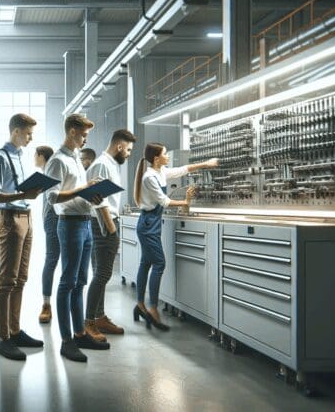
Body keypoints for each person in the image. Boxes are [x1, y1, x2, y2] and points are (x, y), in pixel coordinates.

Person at [45, 114, 110, 363]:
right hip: (70, 226)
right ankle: (66, 341)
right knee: (67, 282)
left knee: (81, 282)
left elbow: (76, 193)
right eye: (83, 135)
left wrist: (90, 190)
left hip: (85, 224)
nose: (85, 139)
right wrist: (83, 190)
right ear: (72, 132)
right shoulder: (57, 161)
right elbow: (52, 197)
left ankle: (80, 333)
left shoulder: (75, 160)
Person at [134, 143, 218, 330]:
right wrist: (186, 201)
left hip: (150, 223)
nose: (168, 156)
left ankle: (140, 305)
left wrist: (206, 163)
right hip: (148, 224)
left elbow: (183, 170)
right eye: (165, 154)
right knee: (159, 263)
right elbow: (164, 202)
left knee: (146, 263)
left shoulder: (160, 172)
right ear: (156, 158)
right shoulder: (149, 177)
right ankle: (153, 309)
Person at [0, 113, 44, 361]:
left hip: (27, 218)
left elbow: (20, 189)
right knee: (6, 280)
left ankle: (15, 330)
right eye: (29, 133)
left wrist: (30, 193)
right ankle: (3, 339)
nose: (31, 138)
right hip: (9, 219)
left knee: (21, 278)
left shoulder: (21, 156)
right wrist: (22, 195)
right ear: (16, 131)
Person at [83, 129, 137, 341]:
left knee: (101, 274)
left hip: (106, 222)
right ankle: (89, 323)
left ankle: (99, 317)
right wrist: (112, 229)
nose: (129, 154)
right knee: (102, 274)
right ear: (120, 146)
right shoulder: (102, 164)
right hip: (104, 224)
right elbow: (99, 200)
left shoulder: (110, 164)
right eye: (129, 150)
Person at [34, 145, 57, 324]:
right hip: (50, 219)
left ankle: (46, 304)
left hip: (56, 218)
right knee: (51, 260)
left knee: (51, 260)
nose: (34, 158)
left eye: (35, 155)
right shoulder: (44, 174)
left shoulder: (52, 169)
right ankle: (46, 303)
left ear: (42, 156)